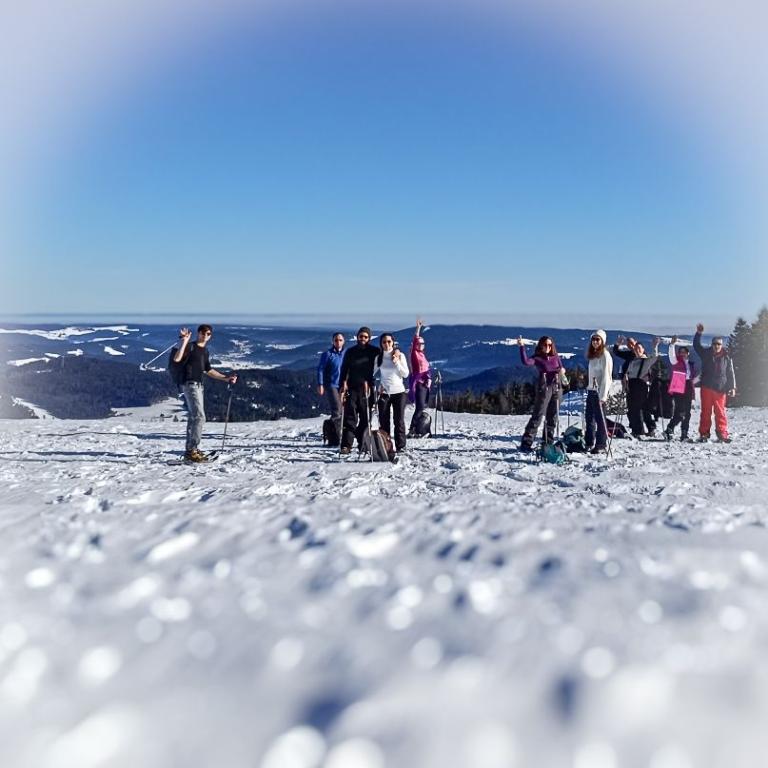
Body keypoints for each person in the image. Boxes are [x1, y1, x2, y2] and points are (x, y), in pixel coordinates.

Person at [174, 325, 238, 462]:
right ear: (198, 333)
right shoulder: (190, 347)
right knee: (199, 417)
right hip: (190, 384)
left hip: (198, 386)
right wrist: (184, 340)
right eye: (203, 333)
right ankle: (192, 450)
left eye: (208, 333)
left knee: (194, 417)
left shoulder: (205, 351)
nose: (205, 335)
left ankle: (190, 450)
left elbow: (208, 370)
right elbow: (177, 359)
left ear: (210, 336)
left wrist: (225, 378)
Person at [517, 335, 565, 452]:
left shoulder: (555, 357)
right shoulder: (538, 358)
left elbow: (561, 368)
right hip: (544, 389)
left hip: (557, 388)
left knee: (552, 417)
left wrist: (562, 372)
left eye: (550, 345)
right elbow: (526, 362)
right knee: (538, 415)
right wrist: (522, 347)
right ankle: (526, 443)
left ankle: (548, 442)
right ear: (541, 346)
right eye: (545, 345)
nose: (548, 347)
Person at [339, 327, 380, 455]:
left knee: (365, 418)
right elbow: (344, 368)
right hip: (352, 388)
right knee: (350, 418)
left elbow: (386, 355)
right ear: (357, 337)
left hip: (367, 389)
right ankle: (346, 445)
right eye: (361, 336)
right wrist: (343, 384)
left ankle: (363, 444)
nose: (363, 339)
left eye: (365, 337)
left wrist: (396, 352)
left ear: (369, 338)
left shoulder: (374, 351)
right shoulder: (350, 351)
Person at [693, 323, 736, 442]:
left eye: (719, 344)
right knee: (706, 412)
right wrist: (698, 334)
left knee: (720, 412)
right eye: (714, 344)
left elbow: (730, 373)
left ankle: (722, 434)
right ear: (712, 344)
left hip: (721, 388)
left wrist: (732, 387)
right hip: (706, 386)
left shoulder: (727, 357)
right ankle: (704, 434)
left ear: (722, 345)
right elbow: (696, 346)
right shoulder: (706, 354)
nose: (716, 346)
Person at [619, 338, 663, 439]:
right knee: (632, 409)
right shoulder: (633, 361)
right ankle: (640, 429)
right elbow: (628, 372)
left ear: (643, 350)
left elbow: (655, 356)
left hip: (640, 385)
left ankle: (639, 431)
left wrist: (655, 346)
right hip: (631, 385)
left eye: (639, 348)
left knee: (636, 409)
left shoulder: (646, 360)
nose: (637, 350)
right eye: (635, 348)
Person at [374, 333, 410, 453]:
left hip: (399, 392)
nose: (387, 344)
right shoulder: (378, 357)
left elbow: (405, 374)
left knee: (398, 421)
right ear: (381, 344)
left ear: (393, 342)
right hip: (384, 393)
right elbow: (371, 372)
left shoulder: (400, 356)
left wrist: (397, 363)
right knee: (384, 421)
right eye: (384, 342)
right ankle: (386, 445)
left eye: (389, 341)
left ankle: (401, 446)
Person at [585, 330, 613, 454]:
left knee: (600, 419)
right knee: (589, 418)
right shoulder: (593, 355)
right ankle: (589, 441)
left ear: (602, 341)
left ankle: (601, 444)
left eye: (598, 339)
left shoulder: (605, 356)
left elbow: (607, 377)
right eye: (593, 339)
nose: (595, 342)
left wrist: (603, 395)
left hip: (599, 392)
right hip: (591, 390)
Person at [664, 336, 697, 442]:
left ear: (688, 353)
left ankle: (684, 433)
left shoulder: (691, 364)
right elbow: (671, 356)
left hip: (688, 386)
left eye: (684, 352)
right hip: (678, 387)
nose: (682, 354)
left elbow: (692, 377)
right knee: (679, 411)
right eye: (680, 352)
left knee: (687, 412)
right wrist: (672, 345)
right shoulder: (676, 361)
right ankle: (669, 429)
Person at [316, 332, 346, 441]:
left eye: (340, 340)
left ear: (344, 341)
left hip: (343, 385)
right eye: (336, 340)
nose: (338, 342)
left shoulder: (346, 354)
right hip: (331, 385)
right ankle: (335, 437)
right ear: (333, 341)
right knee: (336, 409)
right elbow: (320, 369)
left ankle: (336, 432)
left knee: (343, 410)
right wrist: (320, 384)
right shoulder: (328, 354)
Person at [408, 318, 432, 435]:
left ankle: (418, 428)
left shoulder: (422, 355)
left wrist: (429, 378)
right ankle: (413, 428)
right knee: (420, 407)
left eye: (423, 343)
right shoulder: (415, 354)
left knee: (422, 406)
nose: (421, 345)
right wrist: (418, 328)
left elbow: (427, 369)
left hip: (424, 383)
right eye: (420, 343)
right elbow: (414, 340)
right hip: (418, 384)